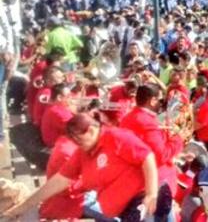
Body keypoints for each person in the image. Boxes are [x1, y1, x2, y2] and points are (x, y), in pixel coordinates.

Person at [3, 113, 160, 220]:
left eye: (79, 139)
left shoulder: (116, 136)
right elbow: (57, 182)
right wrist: (23, 207)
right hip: (117, 207)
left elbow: (147, 157)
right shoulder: (82, 152)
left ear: (91, 131)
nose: (77, 144)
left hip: (144, 200)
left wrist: (151, 194)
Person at [120, 83, 185, 200]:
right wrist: (179, 139)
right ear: (152, 101)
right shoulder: (147, 122)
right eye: (160, 100)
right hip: (155, 184)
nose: (161, 103)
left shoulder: (127, 118)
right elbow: (161, 155)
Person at [40, 83, 74, 147]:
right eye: (69, 95)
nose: (71, 98)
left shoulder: (53, 107)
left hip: (56, 143)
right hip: (57, 146)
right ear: (59, 97)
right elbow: (77, 129)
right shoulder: (57, 112)